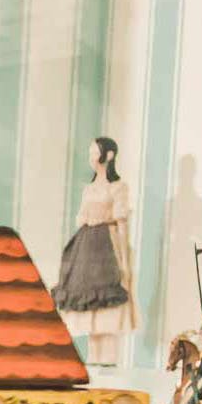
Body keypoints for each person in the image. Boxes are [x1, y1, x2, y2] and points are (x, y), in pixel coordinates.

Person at [52, 136, 138, 365]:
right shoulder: (89, 189)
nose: (92, 158)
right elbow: (81, 218)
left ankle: (108, 362)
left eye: (95, 153)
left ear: (108, 156)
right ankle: (93, 361)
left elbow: (121, 224)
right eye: (90, 153)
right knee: (90, 309)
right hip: (87, 250)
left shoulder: (118, 188)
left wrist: (125, 264)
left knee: (108, 307)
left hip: (107, 248)